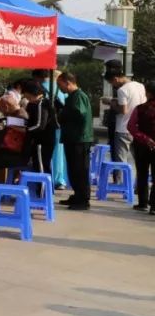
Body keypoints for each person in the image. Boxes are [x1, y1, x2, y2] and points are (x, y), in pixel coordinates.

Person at [58, 71, 93, 211]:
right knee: (73, 169)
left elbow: (79, 114)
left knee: (80, 170)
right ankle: (77, 194)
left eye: (60, 85)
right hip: (72, 138)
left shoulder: (79, 96)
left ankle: (83, 199)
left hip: (79, 138)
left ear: (68, 83)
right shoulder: (71, 97)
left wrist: (63, 114)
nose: (60, 88)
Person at [106, 69, 145, 169]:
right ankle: (137, 182)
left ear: (116, 79)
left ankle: (120, 183)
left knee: (121, 161)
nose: (113, 86)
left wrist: (112, 103)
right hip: (138, 127)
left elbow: (123, 110)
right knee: (139, 160)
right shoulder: (140, 86)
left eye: (111, 83)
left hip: (123, 129)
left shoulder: (122, 90)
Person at [127, 83, 155, 213]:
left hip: (142, 146)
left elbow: (131, 127)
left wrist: (145, 139)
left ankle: (143, 203)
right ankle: (154, 206)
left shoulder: (140, 109)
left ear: (148, 94)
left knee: (142, 173)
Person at [22, 79, 57, 173]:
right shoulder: (34, 104)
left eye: (27, 95)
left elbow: (39, 125)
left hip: (43, 142)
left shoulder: (42, 104)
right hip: (40, 141)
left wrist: (26, 130)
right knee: (39, 164)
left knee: (41, 166)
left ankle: (42, 187)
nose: (25, 97)